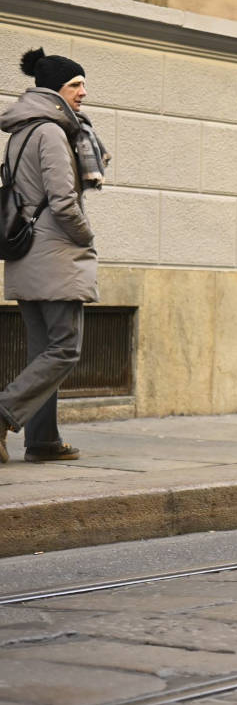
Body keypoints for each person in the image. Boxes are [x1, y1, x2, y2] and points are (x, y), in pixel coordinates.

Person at [0, 48, 108, 464]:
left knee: (43, 351)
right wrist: (86, 237)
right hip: (56, 253)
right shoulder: (50, 131)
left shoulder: (20, 132)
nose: (83, 92)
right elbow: (64, 202)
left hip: (27, 252)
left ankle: (43, 441)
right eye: (75, 84)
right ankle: (4, 413)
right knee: (65, 349)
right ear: (54, 91)